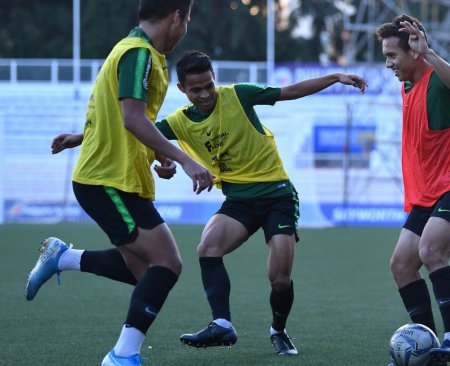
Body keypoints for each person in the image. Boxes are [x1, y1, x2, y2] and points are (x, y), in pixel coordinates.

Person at [51, 50, 367, 356]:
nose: (204, 95)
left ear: (215, 79)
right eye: (195, 90)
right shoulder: (179, 121)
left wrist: (335, 77)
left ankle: (278, 331)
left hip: (277, 196)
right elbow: (132, 132)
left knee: (279, 277)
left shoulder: (239, 96)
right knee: (208, 245)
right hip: (239, 200)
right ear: (182, 89)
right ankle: (222, 323)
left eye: (209, 86)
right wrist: (80, 138)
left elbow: (291, 91)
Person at [25, 1, 215, 366]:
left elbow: (117, 114)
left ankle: (63, 257)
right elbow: (131, 119)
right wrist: (185, 159)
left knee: (145, 273)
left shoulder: (135, 50)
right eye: (187, 20)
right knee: (167, 263)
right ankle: (122, 356)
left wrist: (89, 137)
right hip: (106, 180)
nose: (185, 28)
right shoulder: (138, 54)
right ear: (177, 16)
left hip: (120, 178)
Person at [376, 15, 450, 366]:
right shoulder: (407, 85)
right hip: (427, 194)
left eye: (393, 55)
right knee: (401, 265)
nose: (389, 63)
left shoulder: (438, 79)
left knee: (430, 250)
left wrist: (429, 53)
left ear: (414, 52)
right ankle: (426, 341)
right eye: (386, 56)